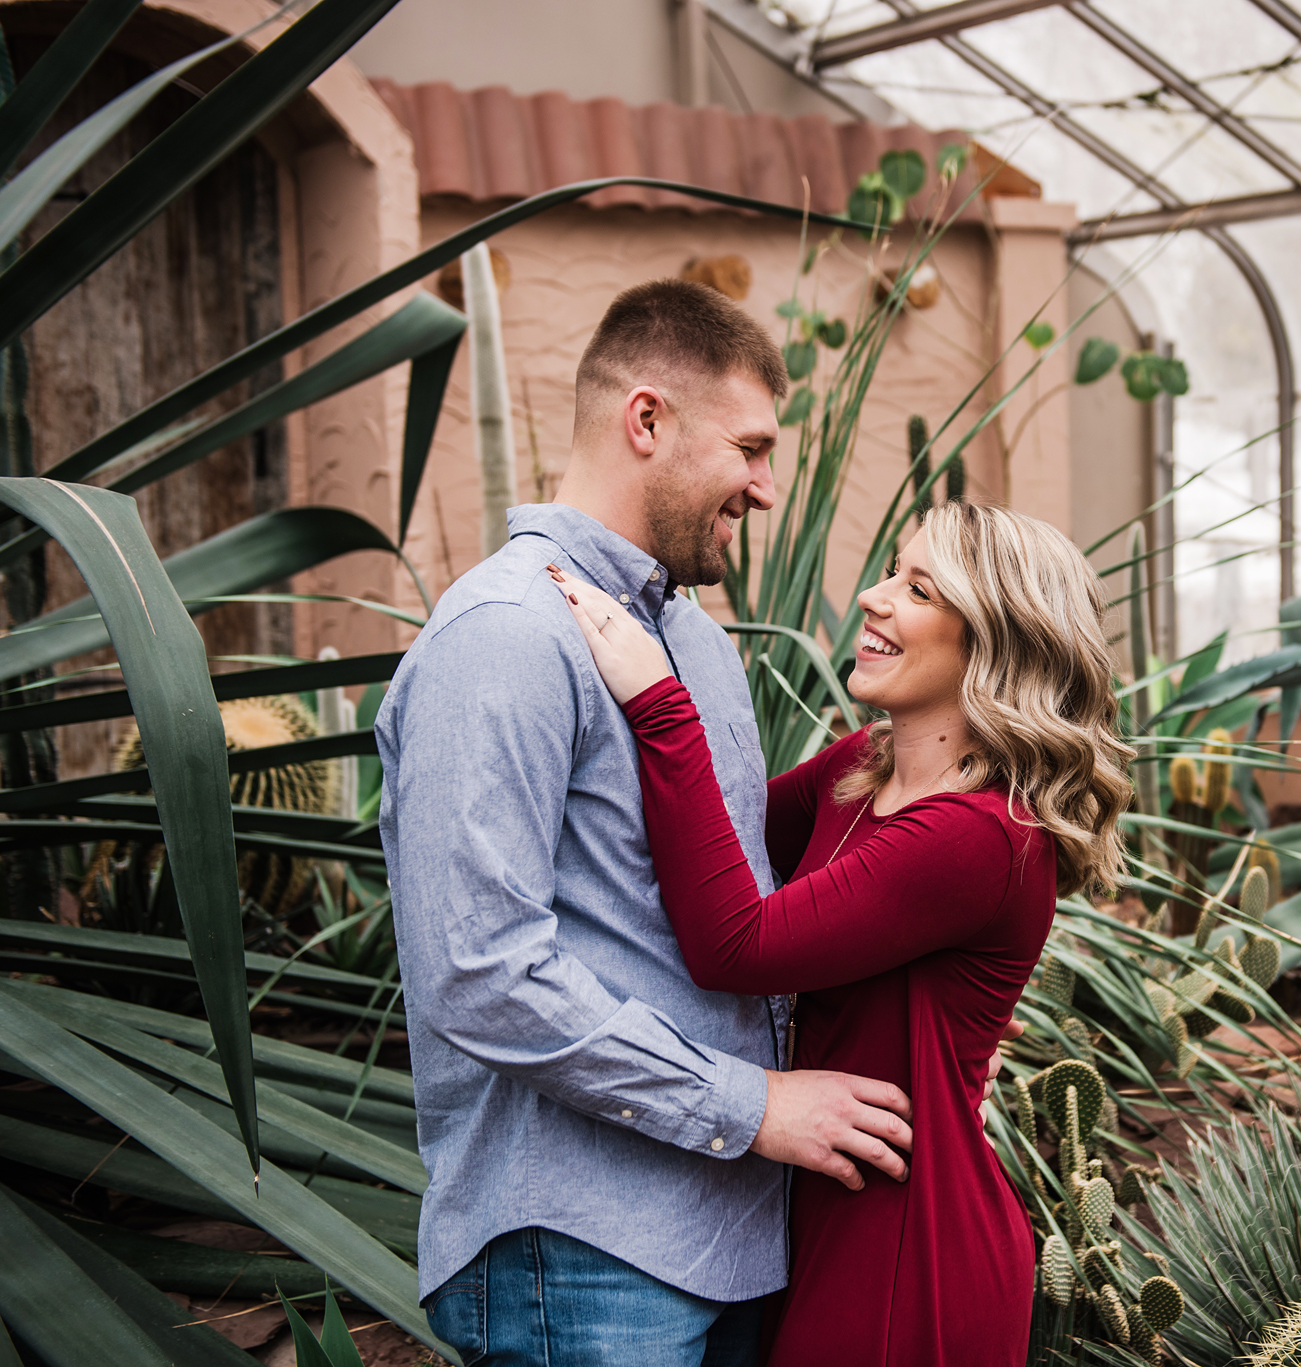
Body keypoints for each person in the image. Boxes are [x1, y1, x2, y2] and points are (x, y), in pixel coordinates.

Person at [379, 280, 1000, 1367]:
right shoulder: (507, 634)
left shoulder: (698, 646)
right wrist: (749, 1105)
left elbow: (745, 891)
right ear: (647, 420)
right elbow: (477, 969)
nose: (767, 487)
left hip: (730, 1241)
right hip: (577, 1249)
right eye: (750, 447)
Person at [550, 497, 1133, 1366]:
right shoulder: (861, 770)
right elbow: (712, 843)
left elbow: (735, 942)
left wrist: (663, 705)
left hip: (909, 1243)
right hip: (819, 1210)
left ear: (995, 641)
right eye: (893, 570)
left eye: (920, 587)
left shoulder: (979, 837)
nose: (874, 595)